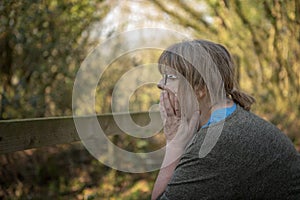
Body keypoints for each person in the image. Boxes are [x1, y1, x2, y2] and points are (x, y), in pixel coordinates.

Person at [151, 39, 300, 200]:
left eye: (170, 77)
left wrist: (174, 144)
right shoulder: (231, 119)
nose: (160, 84)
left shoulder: (214, 145)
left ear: (201, 87)